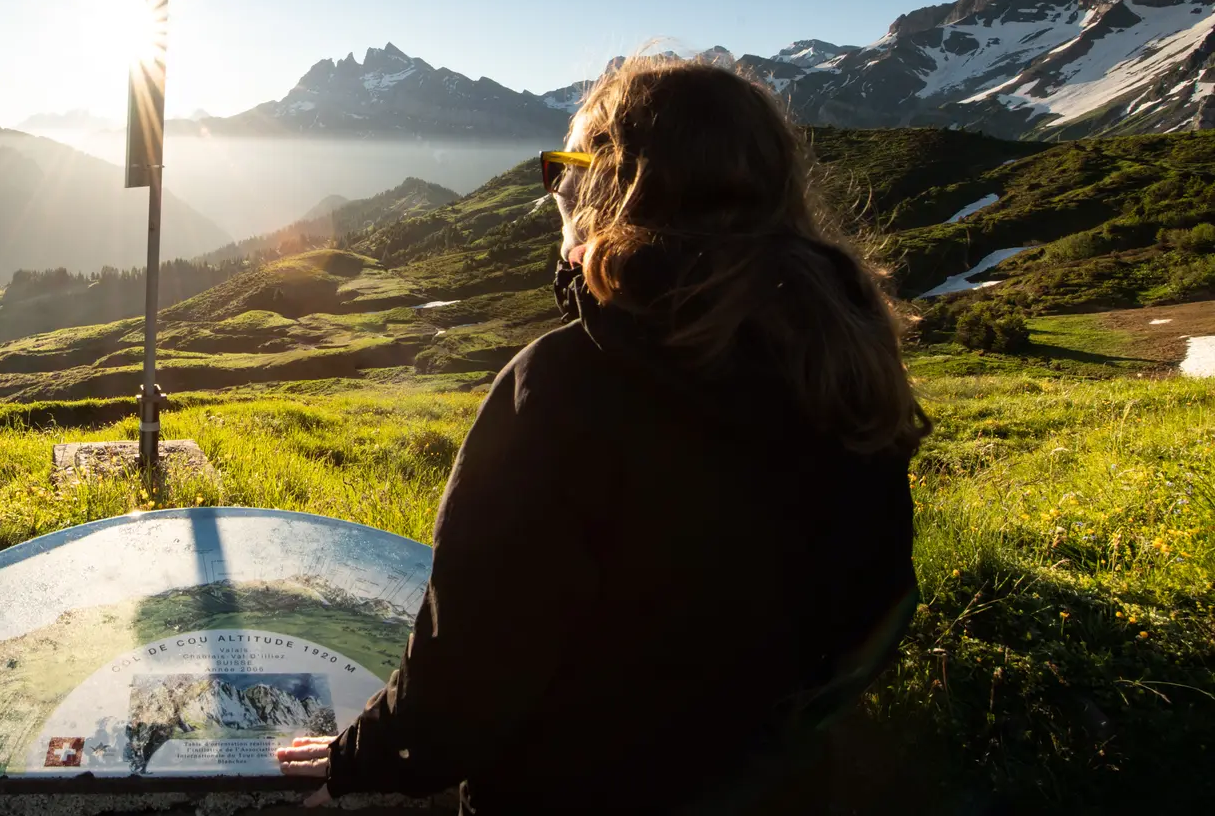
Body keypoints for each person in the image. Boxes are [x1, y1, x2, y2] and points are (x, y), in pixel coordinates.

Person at [276, 58, 926, 813]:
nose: (556, 189)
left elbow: (472, 675)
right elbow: (873, 610)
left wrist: (362, 760)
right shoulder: (844, 371)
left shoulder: (564, 387)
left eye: (566, 168)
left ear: (611, 188)